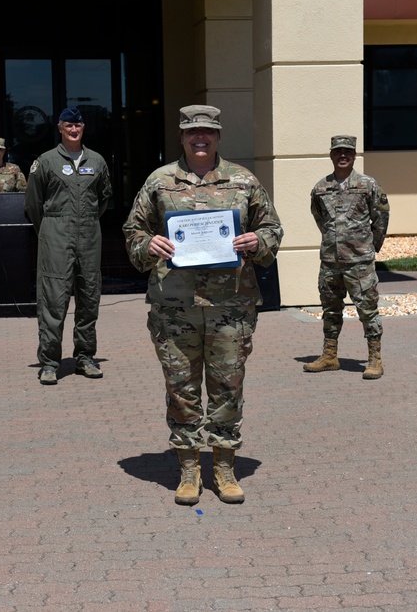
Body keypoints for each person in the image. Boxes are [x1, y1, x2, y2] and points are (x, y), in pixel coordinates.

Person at [123, 105, 284, 505]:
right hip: (174, 306)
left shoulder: (243, 181)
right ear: (181, 136)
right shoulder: (160, 181)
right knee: (181, 388)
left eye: (208, 131)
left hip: (231, 305)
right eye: (192, 131)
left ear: (218, 136)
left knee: (228, 386)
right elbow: (133, 230)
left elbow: (272, 228)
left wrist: (258, 241)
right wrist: (148, 244)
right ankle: (189, 468)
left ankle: (225, 467)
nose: (200, 137)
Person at [24, 107, 112, 385]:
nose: (74, 130)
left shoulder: (96, 161)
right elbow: (33, 203)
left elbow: (104, 198)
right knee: (53, 299)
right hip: (55, 236)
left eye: (78, 125)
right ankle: (50, 363)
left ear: (83, 128)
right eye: (68, 125)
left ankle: (85, 358)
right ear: (60, 128)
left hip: (89, 236)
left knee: (89, 297)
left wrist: (85, 221)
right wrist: (50, 230)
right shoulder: (46, 161)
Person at [303, 135, 390, 379]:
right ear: (331, 154)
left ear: (354, 155)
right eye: (338, 151)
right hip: (330, 262)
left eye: (348, 152)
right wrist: (334, 241)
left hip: (359, 262)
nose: (343, 155)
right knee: (330, 310)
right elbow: (320, 218)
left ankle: (374, 359)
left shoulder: (367, 184)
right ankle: (330, 356)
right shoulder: (321, 188)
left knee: (368, 310)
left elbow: (381, 217)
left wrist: (369, 247)